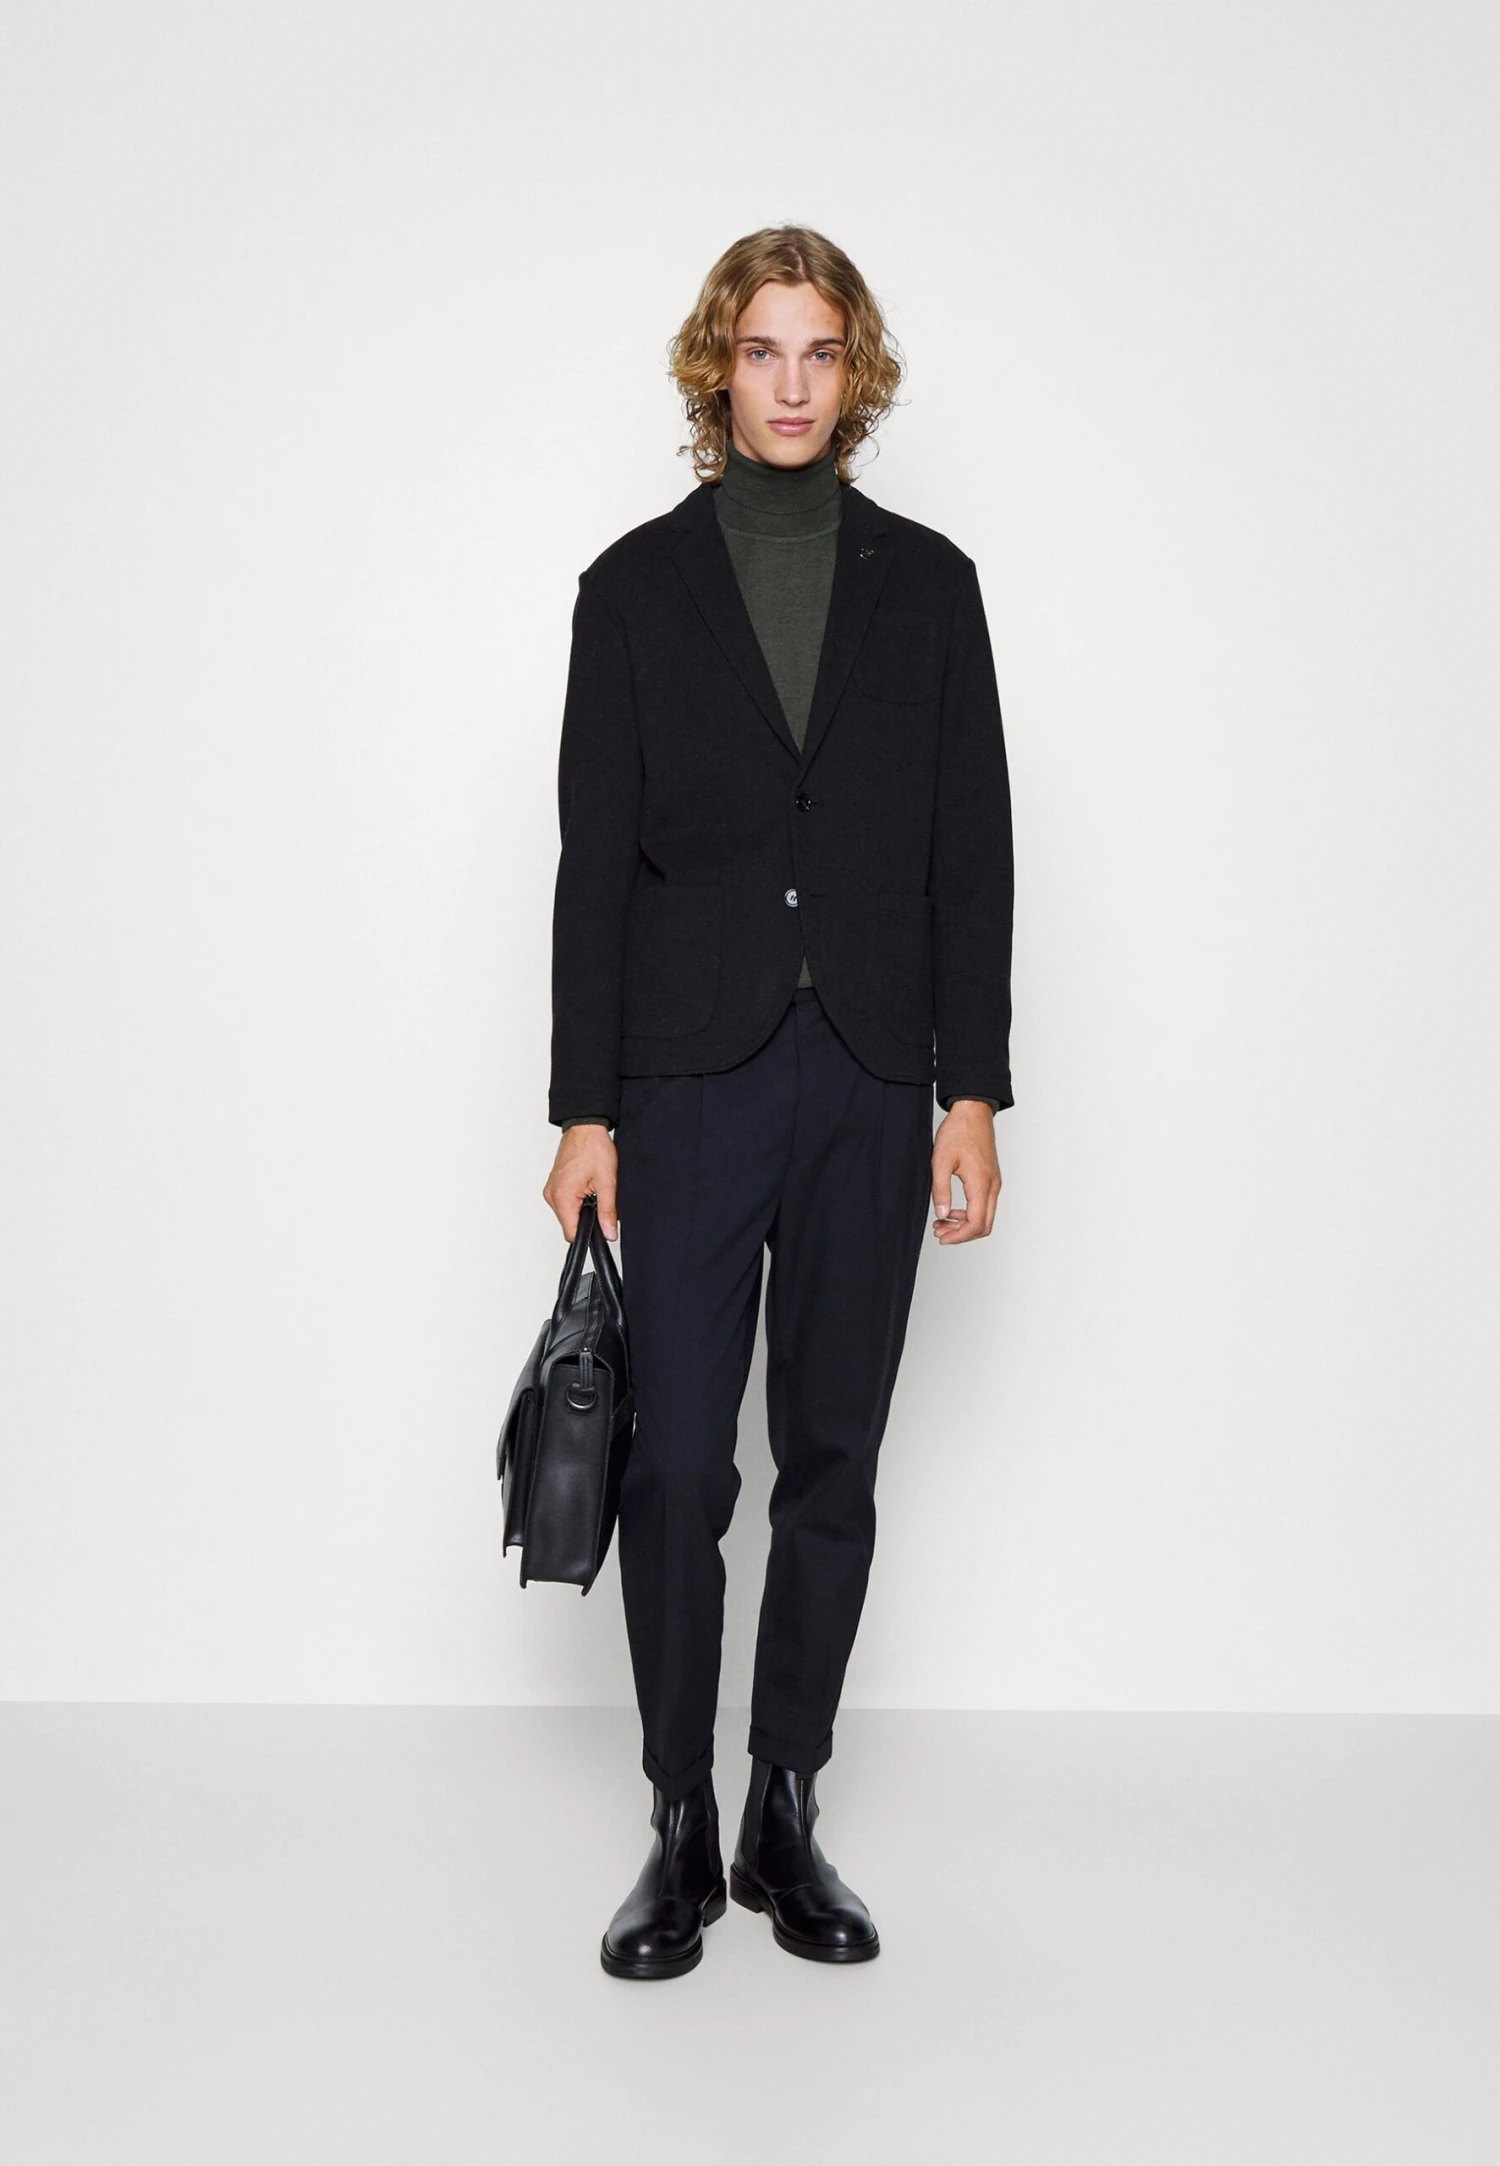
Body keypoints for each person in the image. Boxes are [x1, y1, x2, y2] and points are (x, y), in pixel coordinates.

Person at [541, 224, 1014, 1978]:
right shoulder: (632, 590)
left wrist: (972, 1089)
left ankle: (784, 1802)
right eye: (762, 352)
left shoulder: (933, 587)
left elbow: (974, 853)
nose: (792, 384)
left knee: (834, 1457)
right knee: (678, 1464)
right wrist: (583, 1109)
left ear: (855, 371)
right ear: (717, 370)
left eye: (821, 353)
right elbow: (594, 867)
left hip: (873, 1074)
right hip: (684, 1079)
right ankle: (677, 1814)